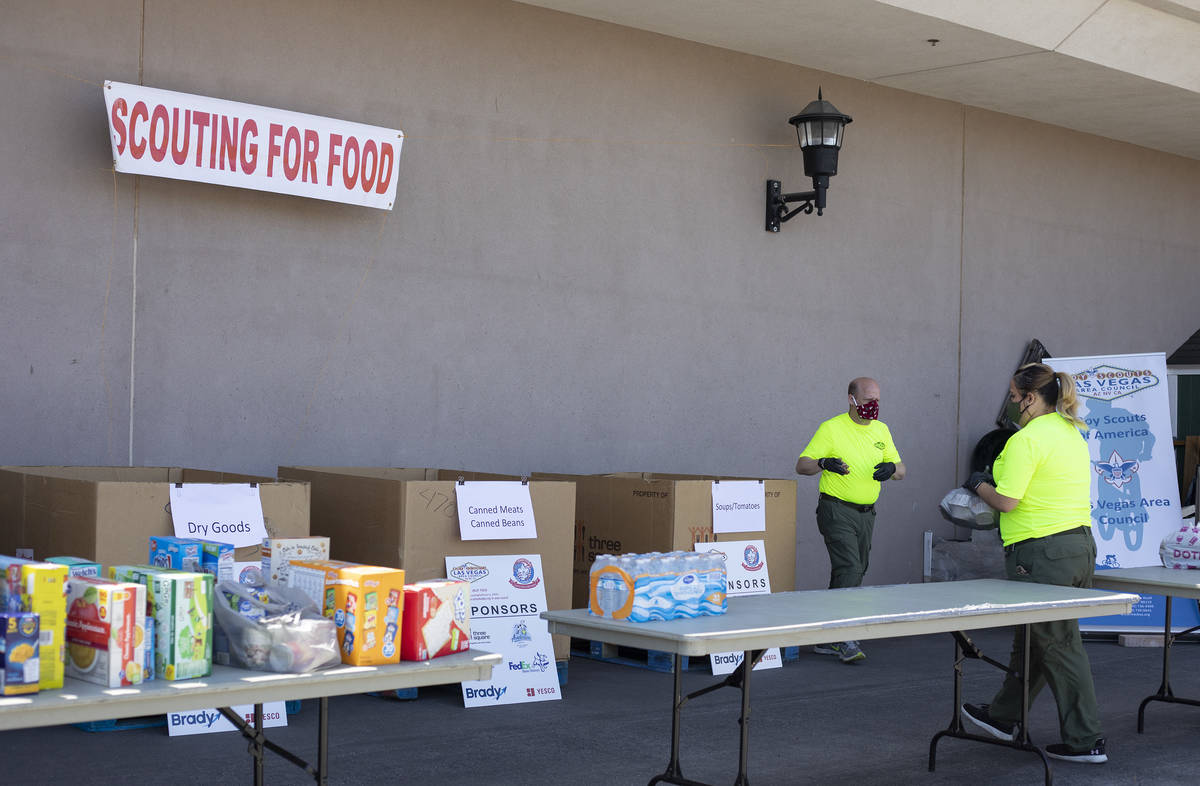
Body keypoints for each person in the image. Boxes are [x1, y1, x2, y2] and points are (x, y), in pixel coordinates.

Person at [960, 363, 1107, 764]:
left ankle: (1085, 739)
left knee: (1058, 645)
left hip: (1041, 555)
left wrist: (978, 484)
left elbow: (1008, 501)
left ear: (1029, 397)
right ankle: (1005, 716)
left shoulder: (1026, 440)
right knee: (1036, 639)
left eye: (1012, 395)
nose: (1009, 402)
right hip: (1077, 547)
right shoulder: (1071, 431)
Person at [796, 377, 904, 663]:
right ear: (851, 399)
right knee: (850, 567)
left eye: (878, 400)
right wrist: (822, 463)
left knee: (854, 569)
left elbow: (902, 469)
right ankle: (843, 636)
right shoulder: (831, 428)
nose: (874, 405)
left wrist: (892, 468)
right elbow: (802, 464)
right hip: (836, 509)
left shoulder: (882, 430)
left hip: (867, 513)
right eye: (868, 399)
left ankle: (825, 635)